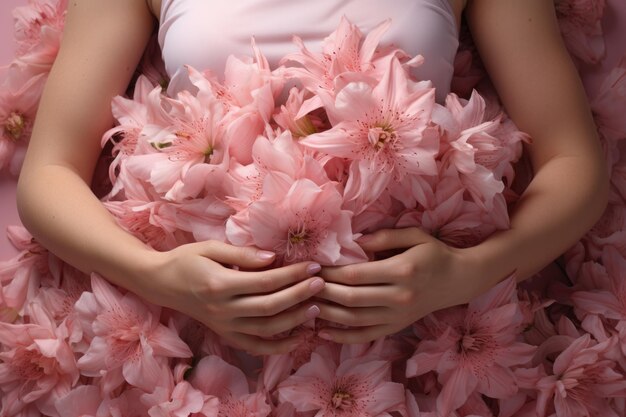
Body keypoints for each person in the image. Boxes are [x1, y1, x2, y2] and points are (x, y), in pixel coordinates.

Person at [15, 0, 608, 356]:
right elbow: (47, 175)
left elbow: (574, 162)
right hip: (204, 340)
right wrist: (160, 278)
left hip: (416, 334)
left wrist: (468, 274)